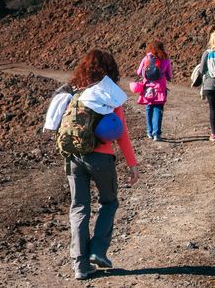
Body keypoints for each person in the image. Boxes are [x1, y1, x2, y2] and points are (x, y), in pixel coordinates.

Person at [59, 49, 139, 280]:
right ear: (110, 69)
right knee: (109, 202)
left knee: (79, 208)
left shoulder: (75, 94)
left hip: (73, 157)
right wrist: (132, 164)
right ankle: (98, 251)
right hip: (101, 157)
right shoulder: (109, 95)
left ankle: (80, 266)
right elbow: (122, 134)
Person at [136, 40, 173, 141]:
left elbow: (139, 72)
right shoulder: (165, 60)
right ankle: (156, 134)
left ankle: (149, 132)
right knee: (158, 109)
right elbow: (170, 76)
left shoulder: (146, 58)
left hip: (148, 89)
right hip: (160, 89)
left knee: (149, 109)